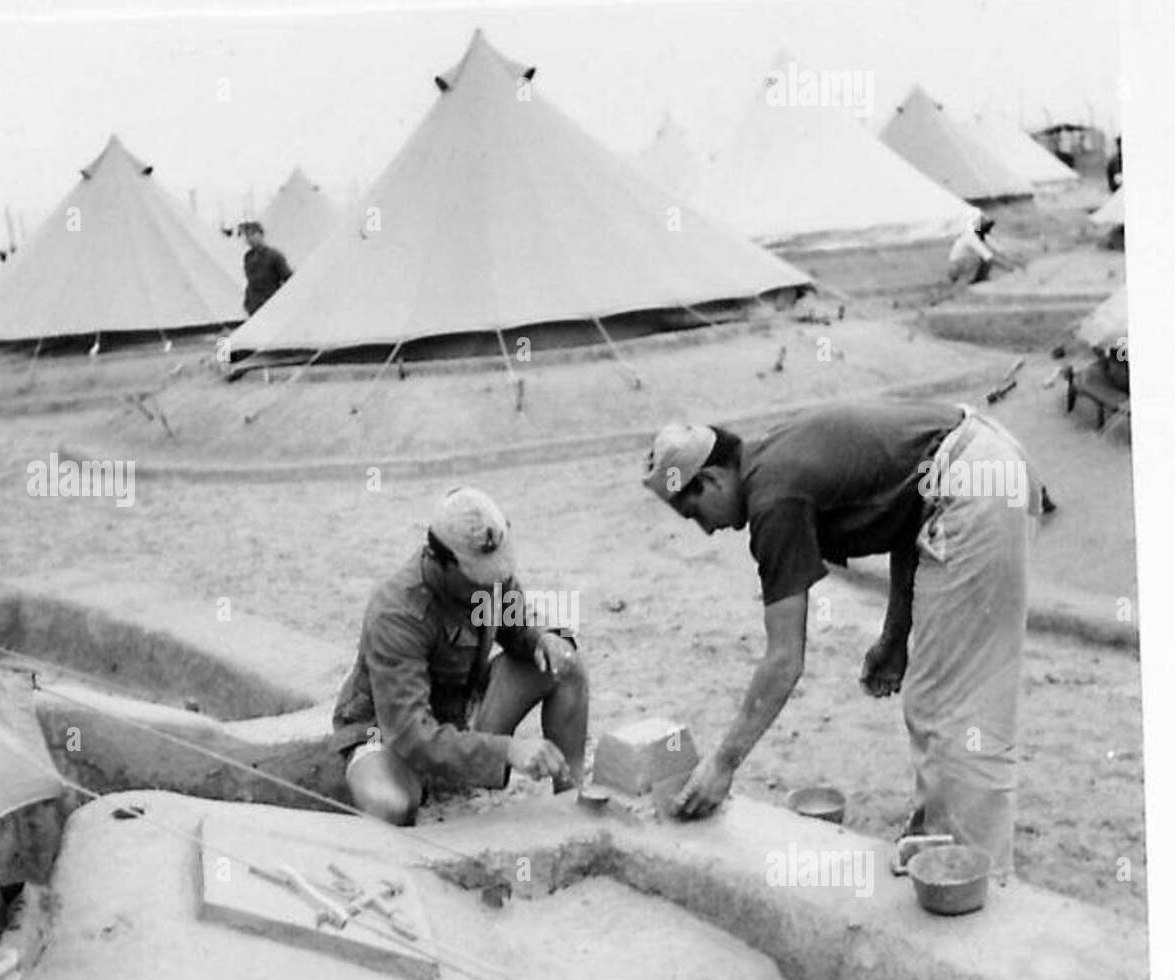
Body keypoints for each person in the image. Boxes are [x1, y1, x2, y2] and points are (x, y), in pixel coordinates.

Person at [642, 402, 1044, 883]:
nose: (706, 529)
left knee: (956, 706)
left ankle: (980, 879)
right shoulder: (772, 459)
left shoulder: (772, 498)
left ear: (711, 480)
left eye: (693, 512)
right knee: (935, 698)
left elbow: (785, 658)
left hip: (973, 485)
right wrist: (896, 636)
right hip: (974, 464)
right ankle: (944, 847)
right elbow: (907, 512)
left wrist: (722, 764)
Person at [332, 487, 588, 826]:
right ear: (442, 561)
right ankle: (419, 784)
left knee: (564, 664)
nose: (491, 584)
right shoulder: (398, 613)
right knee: (391, 805)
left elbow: (516, 627)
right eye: (478, 575)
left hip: (459, 712)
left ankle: (571, 800)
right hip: (390, 733)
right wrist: (506, 750)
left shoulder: (489, 581)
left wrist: (542, 639)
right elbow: (411, 735)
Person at [948, 213, 1017, 285]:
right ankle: (977, 281)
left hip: (965, 263)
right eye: (987, 227)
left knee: (986, 257)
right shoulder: (971, 238)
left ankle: (977, 279)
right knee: (986, 258)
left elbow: (1000, 250)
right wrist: (1009, 268)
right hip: (959, 266)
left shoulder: (981, 235)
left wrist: (1016, 260)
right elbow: (989, 258)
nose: (989, 230)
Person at [241, 221, 293, 317]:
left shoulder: (274, 255)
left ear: (261, 234)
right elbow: (250, 281)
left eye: (253, 234)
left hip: (270, 304)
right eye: (247, 236)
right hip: (254, 305)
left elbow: (288, 278)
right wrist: (247, 301)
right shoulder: (248, 257)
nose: (250, 239)